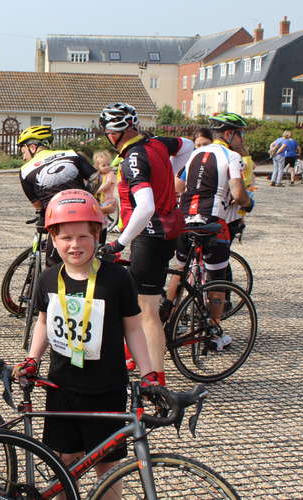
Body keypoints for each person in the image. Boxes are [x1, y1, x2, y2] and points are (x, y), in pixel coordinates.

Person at [13, 189, 156, 489]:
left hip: (106, 389)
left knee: (107, 468)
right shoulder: (49, 278)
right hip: (61, 388)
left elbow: (133, 327)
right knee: (66, 464)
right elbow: (42, 323)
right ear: (53, 239)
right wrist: (32, 359)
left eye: (82, 237)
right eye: (65, 238)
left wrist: (148, 373)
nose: (74, 245)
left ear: (97, 237)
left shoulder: (117, 279)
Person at [96, 102, 194, 386]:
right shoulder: (155, 143)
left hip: (150, 235)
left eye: (107, 131)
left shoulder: (134, 159)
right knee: (136, 304)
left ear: (114, 133)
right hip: (166, 229)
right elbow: (187, 145)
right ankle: (132, 356)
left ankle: (156, 381)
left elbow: (146, 207)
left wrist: (120, 242)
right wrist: (167, 170)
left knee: (147, 311)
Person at [164, 112, 253, 344]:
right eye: (240, 134)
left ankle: (167, 319)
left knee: (180, 268)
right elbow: (237, 192)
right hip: (212, 222)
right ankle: (214, 332)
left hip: (185, 220)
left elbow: (177, 186)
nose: (241, 139)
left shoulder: (194, 154)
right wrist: (247, 202)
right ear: (229, 133)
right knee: (216, 278)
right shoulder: (231, 155)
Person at [17, 125, 97, 265]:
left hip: (59, 218)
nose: (23, 158)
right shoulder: (72, 154)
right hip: (88, 215)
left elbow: (39, 206)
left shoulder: (25, 171)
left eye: (23, 151)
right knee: (92, 258)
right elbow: (97, 180)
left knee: (53, 266)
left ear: (33, 147)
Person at [91, 149, 118, 244]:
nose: (107, 167)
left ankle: (101, 239)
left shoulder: (110, 174)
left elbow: (106, 184)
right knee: (99, 218)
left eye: (108, 164)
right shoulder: (98, 175)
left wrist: (97, 190)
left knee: (103, 218)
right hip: (100, 200)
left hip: (108, 200)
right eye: (103, 165)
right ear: (97, 166)